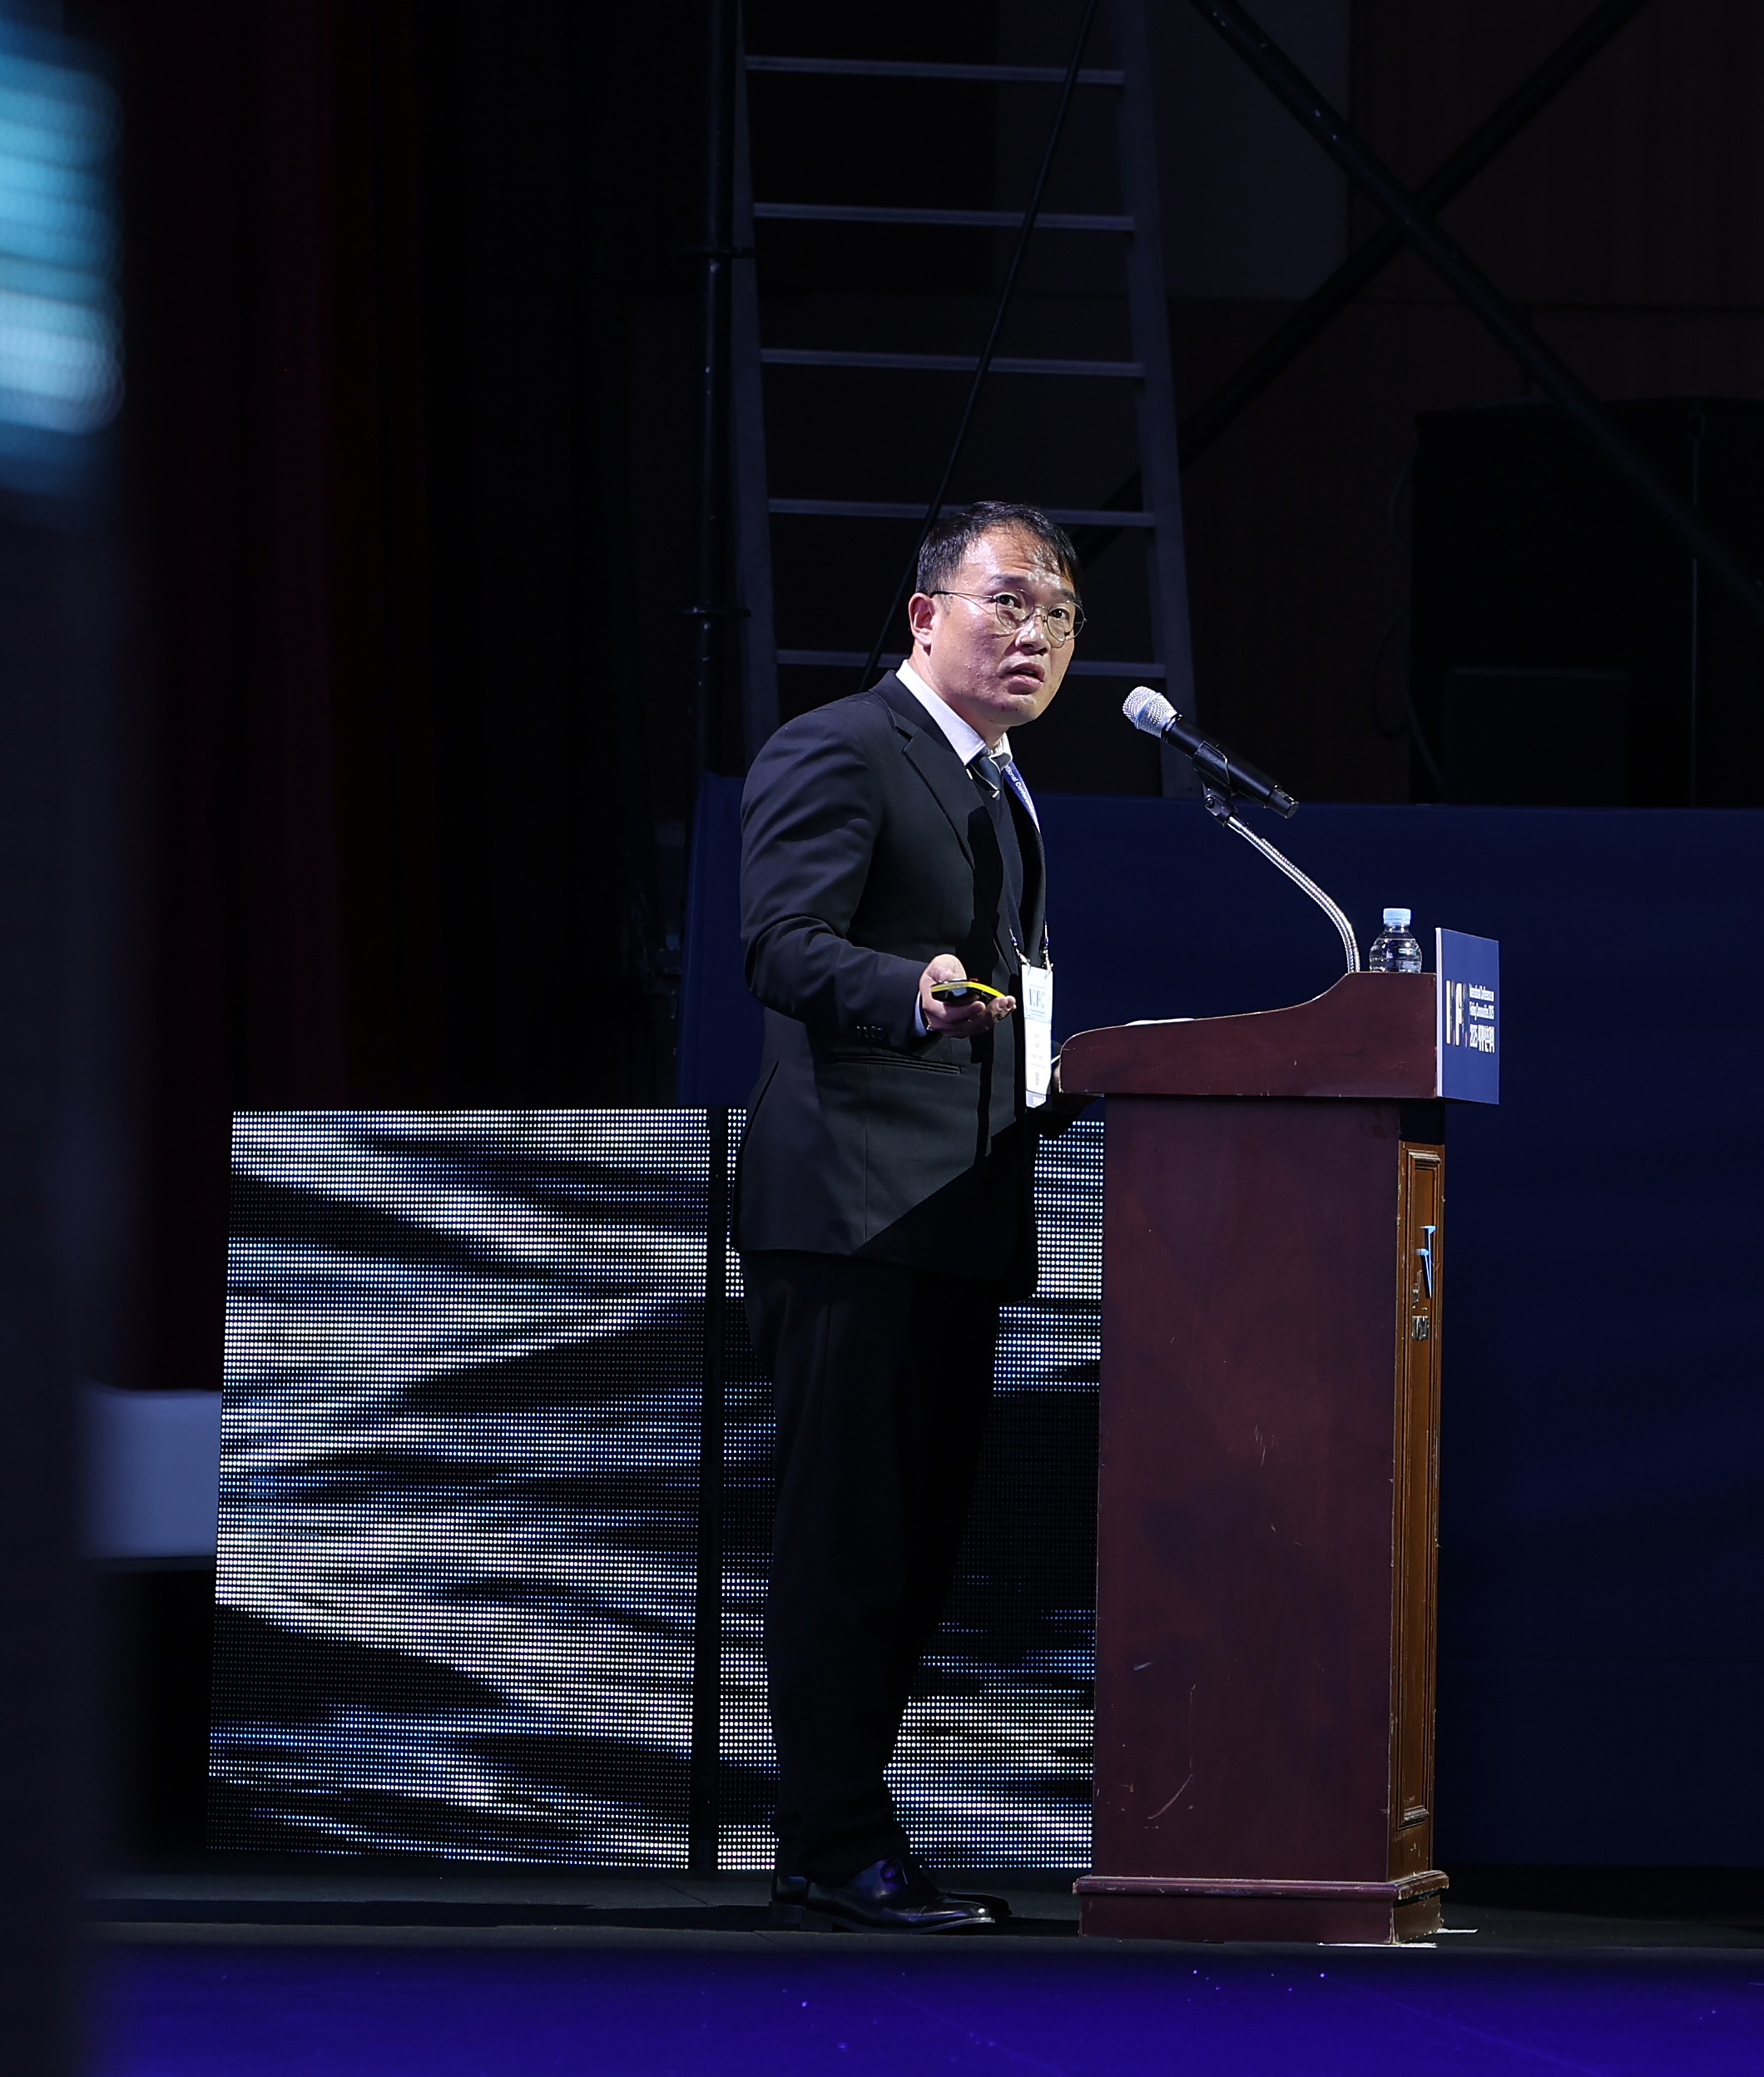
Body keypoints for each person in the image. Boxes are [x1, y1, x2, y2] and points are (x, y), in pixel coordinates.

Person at [734, 500, 1082, 1933]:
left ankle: (843, 1834)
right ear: (926, 614)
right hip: (855, 1211)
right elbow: (780, 944)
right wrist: (910, 992)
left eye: (1059, 614)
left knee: (915, 1545)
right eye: (1009, 602)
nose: (1036, 634)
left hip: (955, 1213)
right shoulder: (844, 746)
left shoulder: (1001, 785)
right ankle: (831, 1843)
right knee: (847, 1544)